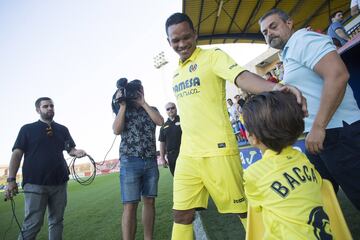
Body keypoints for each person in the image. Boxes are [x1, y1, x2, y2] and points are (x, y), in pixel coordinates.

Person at [165, 12, 307, 240]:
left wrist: (274, 88)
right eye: (175, 40)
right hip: (188, 154)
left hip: (218, 150)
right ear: (169, 42)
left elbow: (241, 77)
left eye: (186, 37)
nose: (182, 44)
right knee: (181, 214)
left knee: (243, 211)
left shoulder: (213, 57)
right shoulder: (175, 74)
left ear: (195, 34)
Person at [259, 8, 360, 210]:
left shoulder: (302, 40)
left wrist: (319, 126)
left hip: (337, 132)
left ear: (289, 23)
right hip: (320, 136)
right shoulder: (288, 53)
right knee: (319, 196)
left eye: (273, 26)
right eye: (264, 32)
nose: (269, 33)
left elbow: (338, 75)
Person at [242, 91, 332, 239]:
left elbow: (256, 207)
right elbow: (319, 183)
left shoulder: (253, 173)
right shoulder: (303, 159)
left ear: (253, 138)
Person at [4, 97, 86, 240]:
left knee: (57, 221)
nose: (49, 108)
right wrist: (11, 179)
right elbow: (17, 154)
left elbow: (70, 149)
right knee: (33, 224)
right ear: (38, 110)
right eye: (45, 106)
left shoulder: (62, 129)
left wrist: (76, 152)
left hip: (60, 182)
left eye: (52, 106)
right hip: (35, 183)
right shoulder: (27, 129)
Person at [112, 79, 164, 240]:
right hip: (130, 161)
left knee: (149, 201)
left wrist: (144, 103)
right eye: (134, 91)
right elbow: (116, 130)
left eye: (140, 90)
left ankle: (148, 238)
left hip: (150, 160)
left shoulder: (151, 109)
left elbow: (160, 122)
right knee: (130, 205)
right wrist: (122, 106)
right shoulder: (123, 110)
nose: (137, 94)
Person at [158, 102, 182, 176]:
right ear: (166, 111)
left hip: (185, 152)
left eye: (172, 108)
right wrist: (162, 158)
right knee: (176, 176)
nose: (170, 110)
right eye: (168, 109)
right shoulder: (163, 126)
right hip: (172, 156)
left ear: (176, 108)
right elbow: (162, 143)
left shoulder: (183, 120)